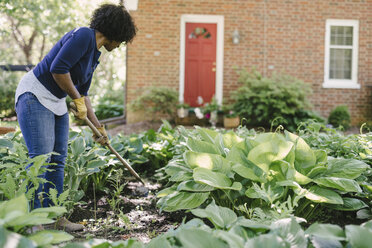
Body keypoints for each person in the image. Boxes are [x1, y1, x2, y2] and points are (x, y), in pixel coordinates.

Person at [15, 3, 136, 231]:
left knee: (57, 161)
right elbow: (58, 69)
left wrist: (98, 128)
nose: (119, 46)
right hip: (35, 95)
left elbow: (84, 94)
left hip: (57, 101)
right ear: (116, 32)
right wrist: (76, 99)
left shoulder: (94, 55)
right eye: (121, 40)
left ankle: (55, 218)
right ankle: (33, 223)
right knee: (40, 159)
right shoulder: (83, 35)